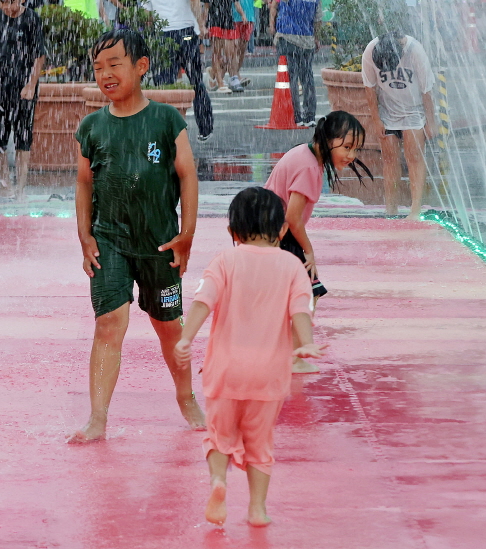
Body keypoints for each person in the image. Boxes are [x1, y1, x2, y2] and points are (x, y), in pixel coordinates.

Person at [70, 29, 204, 443]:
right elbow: (83, 185)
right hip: (108, 239)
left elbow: (187, 177)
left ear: (141, 67)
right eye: (98, 68)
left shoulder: (166, 120)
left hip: (160, 242)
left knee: (169, 328)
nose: (105, 74)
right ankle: (97, 418)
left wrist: (187, 235)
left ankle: (186, 396)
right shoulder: (92, 126)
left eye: (114, 64)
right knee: (110, 321)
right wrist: (85, 237)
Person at [174, 187, 325, 528]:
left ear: (233, 232)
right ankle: (257, 509)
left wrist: (185, 338)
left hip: (225, 371)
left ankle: (218, 481)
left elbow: (203, 303)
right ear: (283, 230)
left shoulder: (225, 261)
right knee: (260, 444)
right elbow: (301, 309)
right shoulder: (292, 266)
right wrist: (306, 343)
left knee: (218, 437)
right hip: (268, 375)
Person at [263, 112, 371, 367]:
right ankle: (297, 355)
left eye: (356, 149)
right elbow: (293, 218)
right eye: (346, 147)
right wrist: (309, 251)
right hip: (278, 233)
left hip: (267, 230)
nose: (351, 156)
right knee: (309, 290)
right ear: (327, 139)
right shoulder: (310, 166)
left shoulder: (305, 153)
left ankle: (284, 351)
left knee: (294, 293)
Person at [229, 0, 322, 126]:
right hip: (307, 39)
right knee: (307, 78)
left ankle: (296, 116)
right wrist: (316, 38)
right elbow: (318, 20)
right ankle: (310, 116)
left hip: (288, 37)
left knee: (291, 78)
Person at [142, 0, 214, 142]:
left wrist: (154, 30)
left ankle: (164, 128)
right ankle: (205, 128)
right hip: (186, 35)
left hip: (162, 37)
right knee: (196, 81)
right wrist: (200, 24)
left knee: (163, 84)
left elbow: (146, 15)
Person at [362, 30, 435, 217]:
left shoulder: (415, 51)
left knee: (414, 158)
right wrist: (376, 119)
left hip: (414, 110)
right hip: (388, 111)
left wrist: (430, 122)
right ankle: (391, 209)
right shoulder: (371, 50)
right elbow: (369, 88)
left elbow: (427, 90)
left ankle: (415, 209)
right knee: (389, 160)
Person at [0, 0, 47, 201]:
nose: (8, 7)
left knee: (23, 138)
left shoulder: (31, 18)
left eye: (12, 1)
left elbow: (39, 55)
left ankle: (20, 189)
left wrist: (31, 85)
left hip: (24, 86)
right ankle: (5, 185)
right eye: (4, 2)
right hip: (1, 84)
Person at [201, 0, 245, 95]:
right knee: (217, 53)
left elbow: (236, 3)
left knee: (231, 53)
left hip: (228, 21)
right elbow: (206, 8)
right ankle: (220, 82)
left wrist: (243, 15)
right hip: (215, 22)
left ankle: (221, 74)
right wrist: (203, 25)